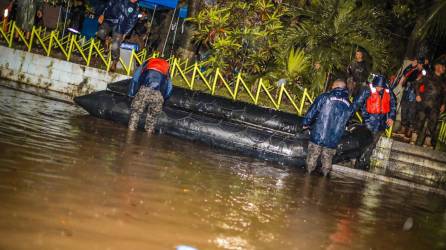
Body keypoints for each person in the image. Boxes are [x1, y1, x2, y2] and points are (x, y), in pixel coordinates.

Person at [303, 79, 353, 177]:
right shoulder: (348, 103)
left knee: (313, 156)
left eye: (333, 85)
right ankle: (324, 180)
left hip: (319, 133)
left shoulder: (325, 97)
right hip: (334, 137)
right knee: (327, 158)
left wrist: (306, 123)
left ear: (335, 86)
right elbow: (348, 119)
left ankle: (307, 178)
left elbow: (313, 111)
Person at [352, 74, 397, 169]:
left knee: (372, 144)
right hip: (369, 122)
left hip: (381, 123)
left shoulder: (388, 92)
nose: (379, 88)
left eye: (381, 87)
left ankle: (363, 162)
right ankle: (361, 162)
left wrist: (391, 117)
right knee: (366, 143)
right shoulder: (367, 90)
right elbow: (359, 104)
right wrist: (366, 119)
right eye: (377, 86)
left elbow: (393, 105)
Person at [127, 58, 173, 133]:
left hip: (144, 90)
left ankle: (130, 134)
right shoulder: (166, 68)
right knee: (152, 118)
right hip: (158, 94)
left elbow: (135, 78)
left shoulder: (147, 63)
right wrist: (164, 99)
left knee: (135, 113)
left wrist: (131, 93)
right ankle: (148, 136)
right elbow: (169, 88)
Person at [96, 0, 139, 72]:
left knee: (115, 45)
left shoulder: (136, 8)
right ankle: (106, 41)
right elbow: (108, 4)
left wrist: (126, 33)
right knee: (101, 33)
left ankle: (114, 62)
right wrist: (102, 14)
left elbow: (132, 22)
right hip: (109, 20)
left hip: (121, 27)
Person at [411, 60, 446, 147]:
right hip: (424, 103)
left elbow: (444, 94)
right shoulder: (427, 75)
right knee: (419, 121)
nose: (444, 69)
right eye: (443, 66)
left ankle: (427, 142)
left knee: (432, 124)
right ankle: (413, 139)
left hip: (436, 106)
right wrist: (417, 95)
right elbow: (416, 83)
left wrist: (443, 104)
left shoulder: (443, 81)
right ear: (437, 66)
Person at [394, 57, 424, 139]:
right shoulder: (413, 70)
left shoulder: (424, 73)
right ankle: (403, 130)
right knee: (404, 110)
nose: (420, 65)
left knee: (411, 113)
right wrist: (411, 65)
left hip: (414, 95)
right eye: (419, 63)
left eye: (421, 64)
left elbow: (420, 83)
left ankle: (409, 132)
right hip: (407, 92)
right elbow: (405, 74)